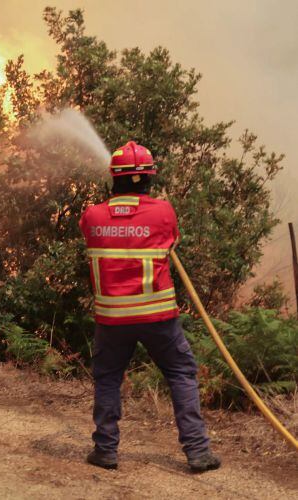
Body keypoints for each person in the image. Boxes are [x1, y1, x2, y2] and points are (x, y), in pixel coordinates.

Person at [79, 141, 221, 473]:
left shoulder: (92, 215)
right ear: (149, 178)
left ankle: (105, 451)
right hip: (158, 317)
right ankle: (198, 451)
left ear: (113, 177)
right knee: (181, 374)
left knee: (108, 379)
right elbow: (170, 240)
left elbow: (93, 232)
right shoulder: (163, 212)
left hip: (112, 319)